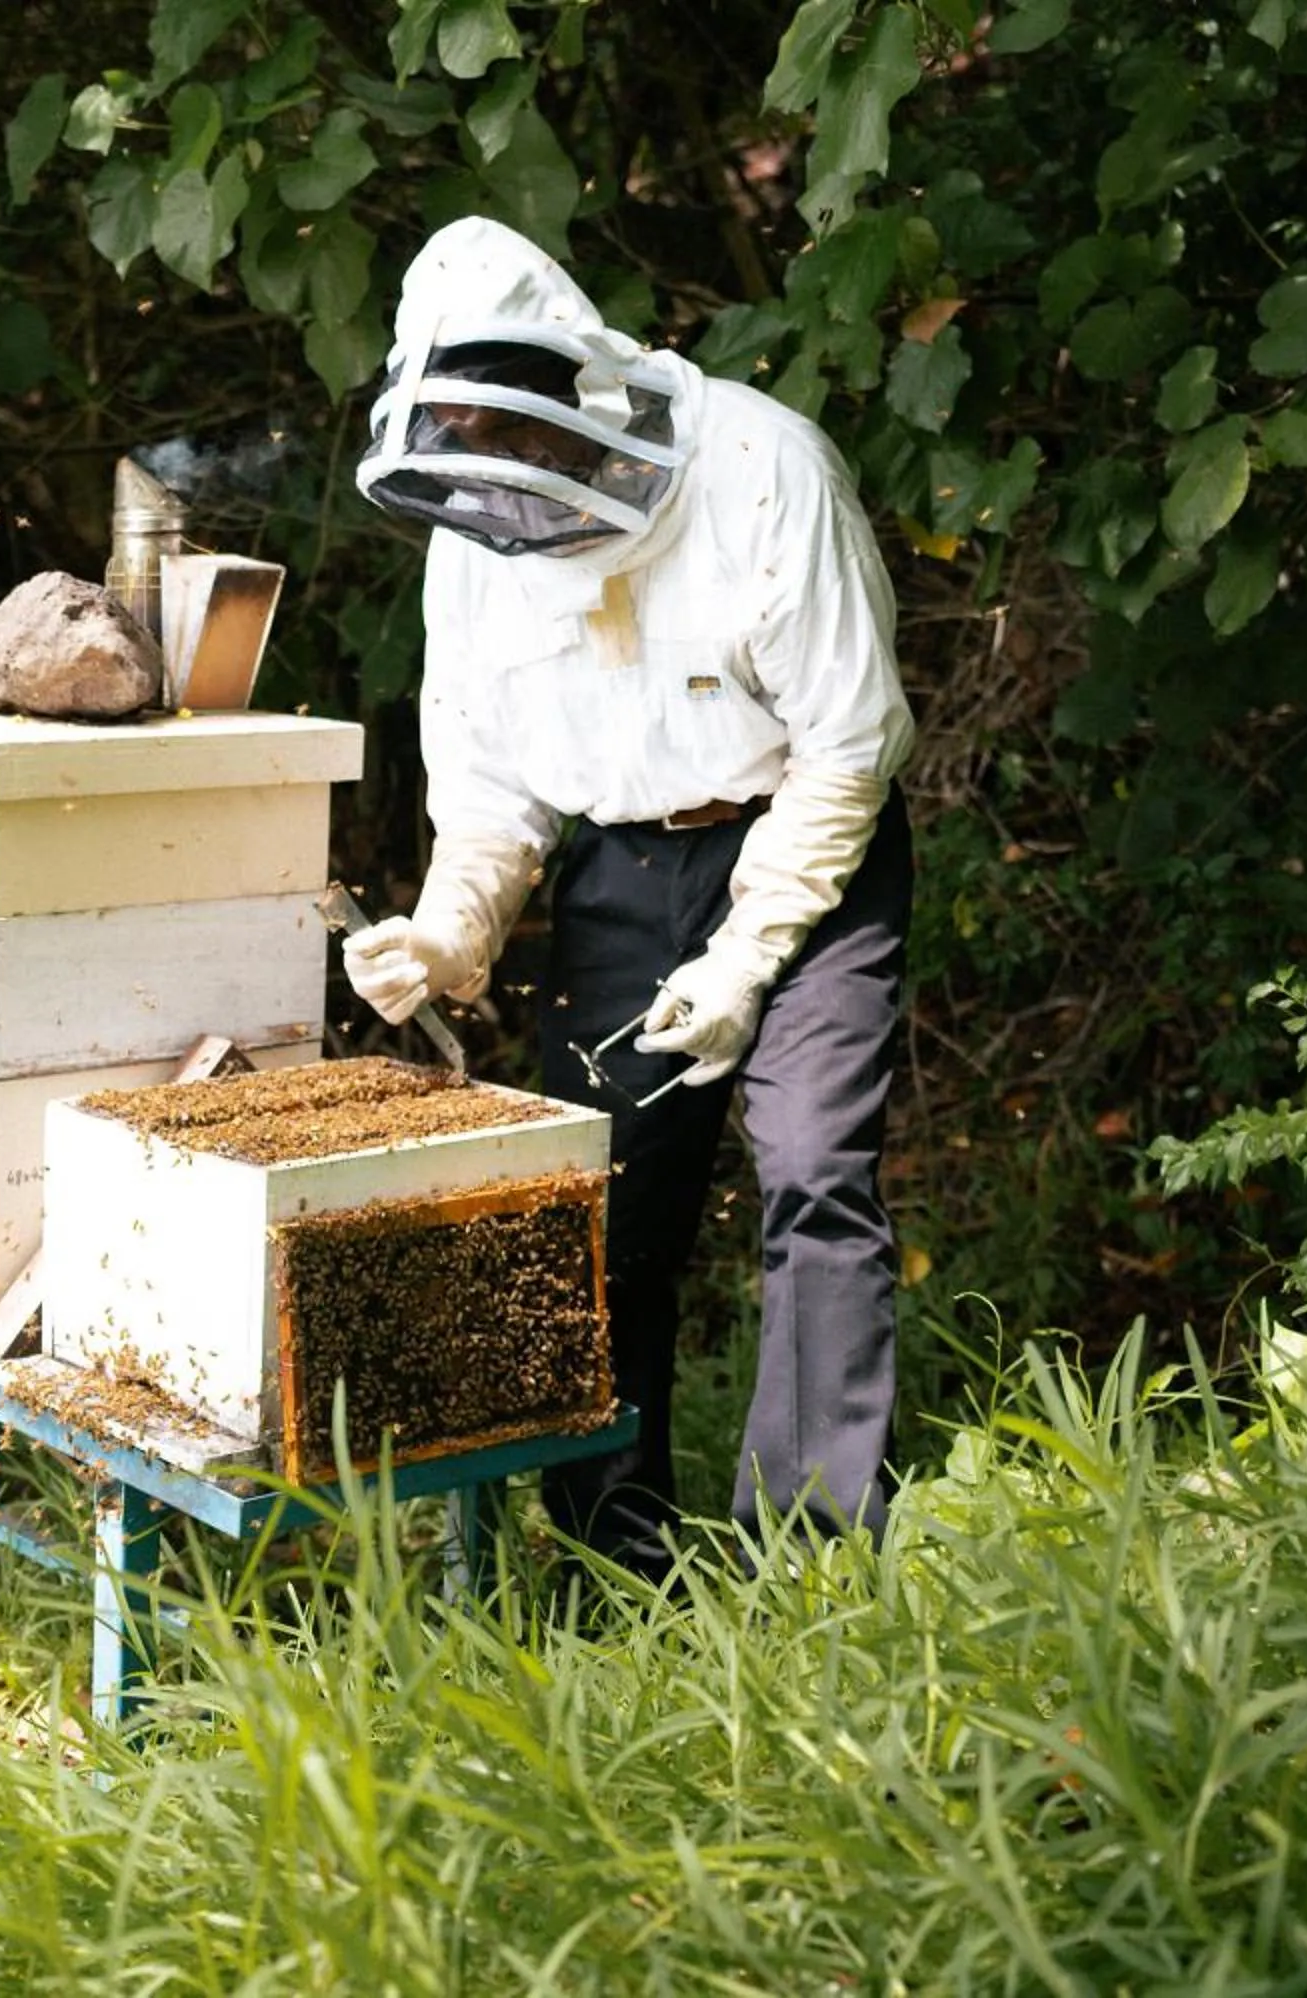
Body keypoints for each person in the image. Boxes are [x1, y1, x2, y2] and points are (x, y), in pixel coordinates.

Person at [342, 216, 915, 1579]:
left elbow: (849, 745)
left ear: (569, 382)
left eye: (511, 420)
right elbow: (488, 785)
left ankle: (819, 1549)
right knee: (599, 1199)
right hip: (617, 870)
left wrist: (748, 956)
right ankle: (614, 1551)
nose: (507, 463)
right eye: (468, 427)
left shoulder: (765, 471)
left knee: (818, 1175)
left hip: (805, 843)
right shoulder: (469, 530)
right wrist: (451, 927)